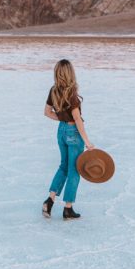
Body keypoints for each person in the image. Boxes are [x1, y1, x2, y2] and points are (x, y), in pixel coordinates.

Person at [42, 58, 94, 220]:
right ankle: (68, 208)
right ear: (70, 73)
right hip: (73, 133)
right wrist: (87, 142)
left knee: (63, 166)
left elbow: (47, 112)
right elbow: (77, 119)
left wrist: (62, 119)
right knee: (74, 170)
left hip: (61, 131)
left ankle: (49, 200)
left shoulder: (53, 90)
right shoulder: (71, 94)